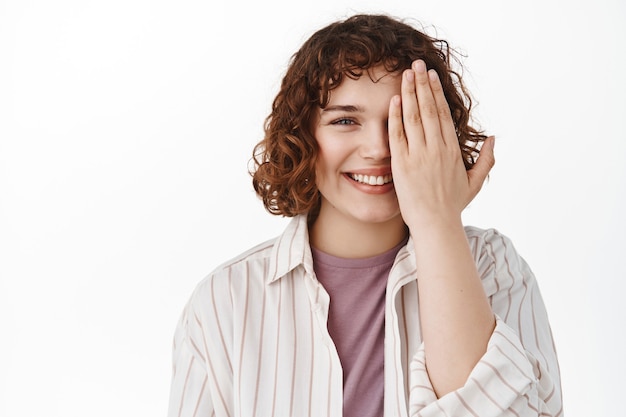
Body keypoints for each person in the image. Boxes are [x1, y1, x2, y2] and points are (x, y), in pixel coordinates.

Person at [167, 14, 563, 417]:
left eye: (402, 121)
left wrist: (438, 222)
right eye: (344, 120)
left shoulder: (492, 267)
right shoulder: (224, 301)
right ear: (304, 137)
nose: (377, 148)